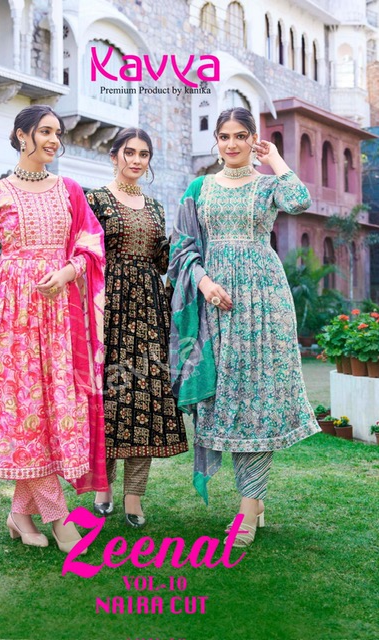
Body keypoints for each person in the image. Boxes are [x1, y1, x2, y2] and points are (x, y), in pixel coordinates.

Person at [168, 107, 319, 547]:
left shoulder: (268, 185)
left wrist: (276, 160)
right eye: (224, 136)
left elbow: (300, 201)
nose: (231, 144)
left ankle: (248, 510)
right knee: (227, 400)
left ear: (254, 139)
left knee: (258, 400)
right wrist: (204, 282)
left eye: (240, 136)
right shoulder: (200, 188)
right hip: (215, 303)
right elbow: (181, 247)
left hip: (264, 302)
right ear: (216, 141)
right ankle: (255, 500)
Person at [0, 105, 107, 552]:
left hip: (58, 312)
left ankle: (19, 515)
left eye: (57, 133)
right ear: (22, 135)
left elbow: (91, 244)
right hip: (10, 315)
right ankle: (59, 518)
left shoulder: (69, 190)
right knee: (22, 411)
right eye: (45, 131)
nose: (53, 140)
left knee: (50, 410)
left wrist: (67, 272)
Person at [86, 128, 188, 528]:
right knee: (109, 396)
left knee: (144, 398)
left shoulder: (156, 207)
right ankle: (104, 487)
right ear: (114, 155)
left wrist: (183, 239)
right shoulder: (95, 200)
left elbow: (163, 261)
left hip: (148, 311)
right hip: (108, 309)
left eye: (143, 154)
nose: (136, 160)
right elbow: (85, 254)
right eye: (129, 152)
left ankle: (134, 497)